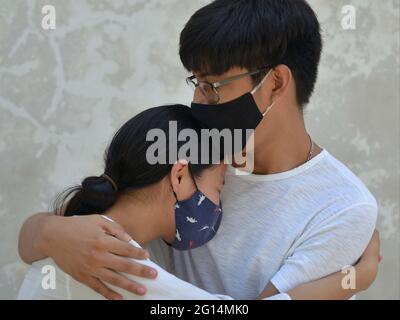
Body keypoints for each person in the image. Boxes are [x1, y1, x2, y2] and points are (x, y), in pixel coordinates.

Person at [18, 0, 380, 300]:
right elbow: (70, 220)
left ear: (275, 83)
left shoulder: (342, 207)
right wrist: (51, 233)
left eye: (213, 85)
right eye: (196, 82)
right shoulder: (189, 149)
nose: (197, 100)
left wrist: (355, 279)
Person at [17, 104, 379, 300]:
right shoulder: (118, 262)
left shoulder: (77, 231)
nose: (218, 206)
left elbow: (29, 239)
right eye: (219, 187)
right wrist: (354, 281)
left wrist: (44, 229)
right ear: (178, 175)